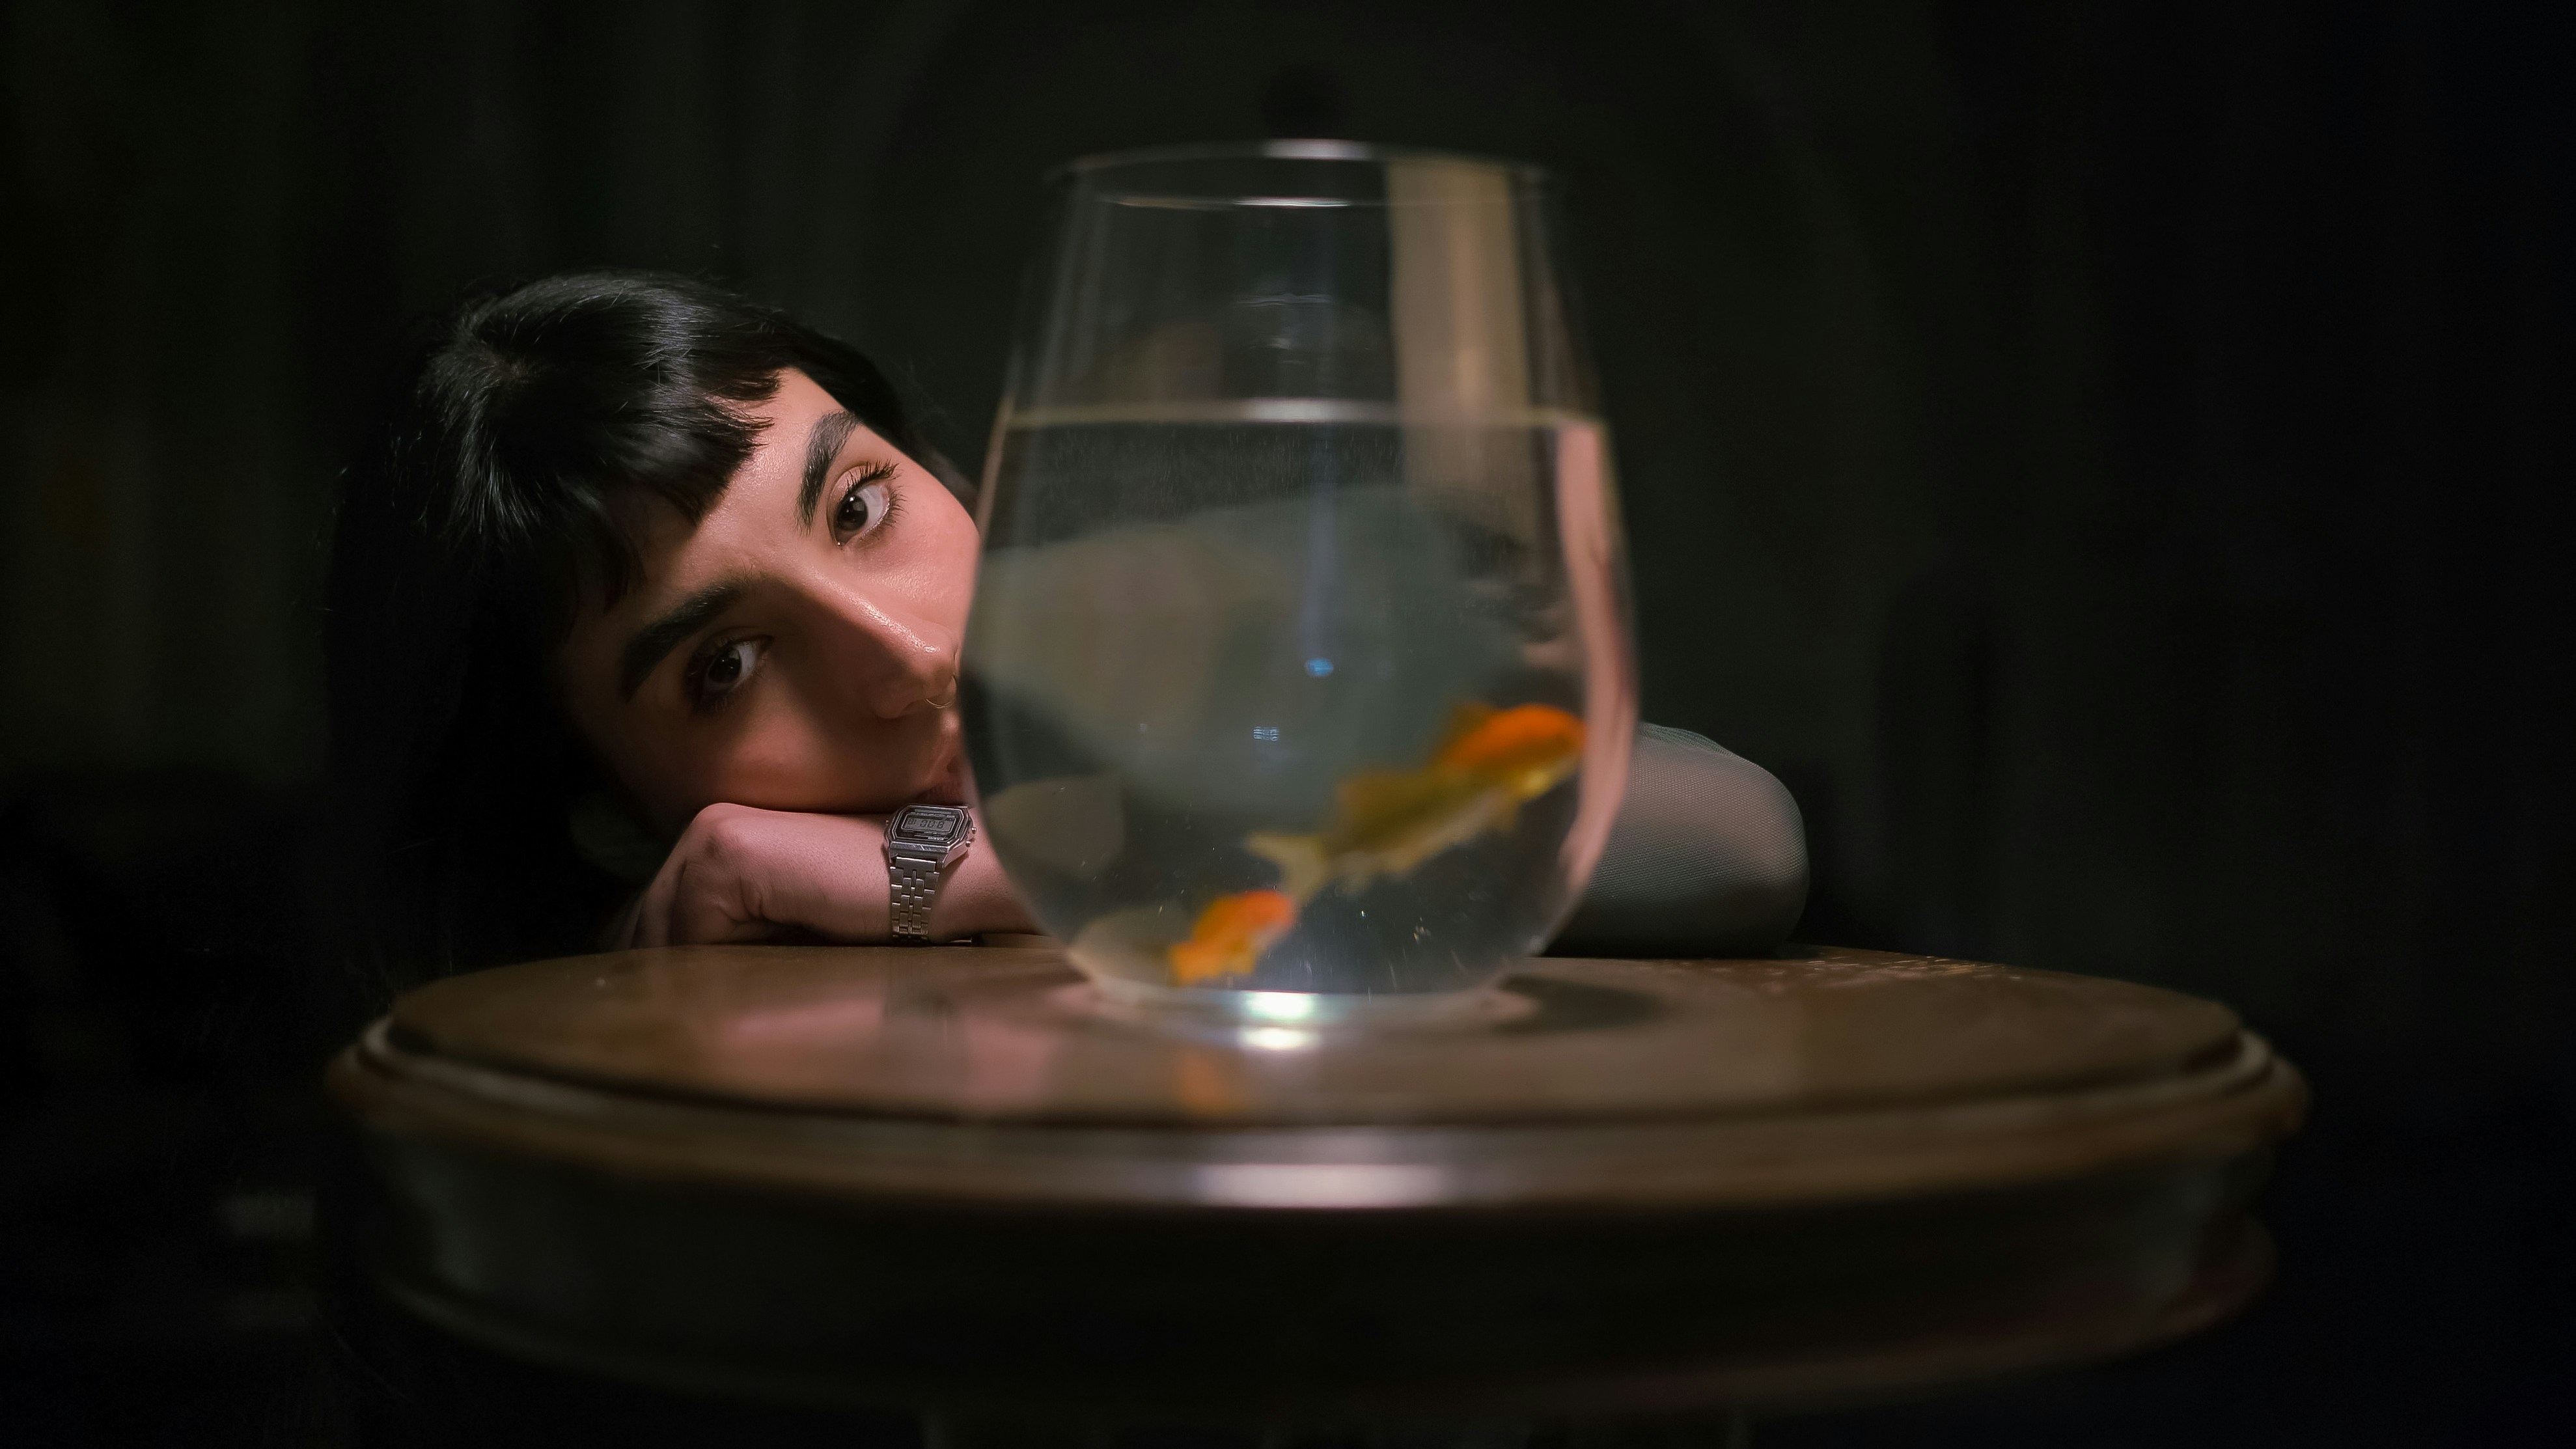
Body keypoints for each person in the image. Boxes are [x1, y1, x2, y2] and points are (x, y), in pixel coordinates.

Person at [318, 271, 1806, 1008]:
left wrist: (990, 869)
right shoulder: (618, 1039)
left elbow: (1731, 841)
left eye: (856, 506)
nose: (902, 656)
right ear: (593, 804)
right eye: (726, 665)